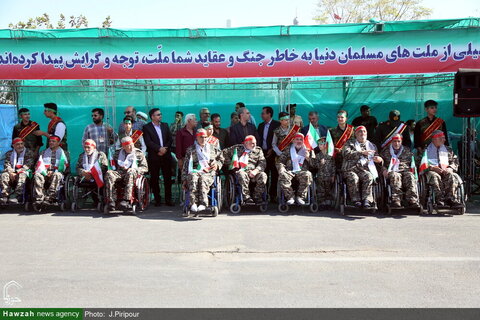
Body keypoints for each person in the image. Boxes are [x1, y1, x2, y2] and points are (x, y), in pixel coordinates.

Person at [181, 129, 224, 213]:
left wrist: (217, 165)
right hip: (195, 170)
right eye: (201, 137)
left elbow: (221, 159)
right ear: (197, 137)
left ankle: (203, 203)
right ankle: (193, 203)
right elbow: (185, 166)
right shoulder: (190, 149)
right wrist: (184, 180)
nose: (203, 139)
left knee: (203, 179)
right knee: (193, 178)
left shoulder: (213, 148)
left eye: (205, 137)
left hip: (208, 171)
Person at [342, 126, 383, 208]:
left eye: (364, 131)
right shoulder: (349, 143)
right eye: (360, 131)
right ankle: (355, 200)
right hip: (350, 169)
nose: (362, 133)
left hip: (364, 169)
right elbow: (345, 154)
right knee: (354, 178)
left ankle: (367, 200)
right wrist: (361, 152)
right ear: (356, 134)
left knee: (369, 176)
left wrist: (380, 160)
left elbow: (377, 157)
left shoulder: (372, 146)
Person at [104, 136, 148, 211]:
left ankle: (127, 200)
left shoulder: (138, 153)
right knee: (109, 173)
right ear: (123, 146)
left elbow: (145, 168)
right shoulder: (118, 153)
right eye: (128, 146)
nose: (131, 147)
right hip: (120, 172)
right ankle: (111, 201)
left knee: (130, 172)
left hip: (133, 173)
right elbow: (112, 165)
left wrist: (135, 169)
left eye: (132, 145)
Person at [143, 108, 174, 206]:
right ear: (152, 116)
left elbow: (170, 139)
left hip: (166, 155)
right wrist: (159, 149)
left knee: (167, 179)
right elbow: (148, 142)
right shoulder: (147, 127)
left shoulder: (165, 125)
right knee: (154, 178)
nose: (160, 116)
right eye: (158, 114)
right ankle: (157, 199)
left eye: (160, 114)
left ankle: (168, 199)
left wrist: (164, 149)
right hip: (154, 156)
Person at [223, 135, 267, 204]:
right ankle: (246, 197)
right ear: (245, 143)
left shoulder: (258, 150)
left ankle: (257, 196)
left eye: (255, 143)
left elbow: (262, 162)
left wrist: (256, 171)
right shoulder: (237, 148)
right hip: (241, 171)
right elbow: (224, 153)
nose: (254, 145)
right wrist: (231, 165)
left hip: (253, 172)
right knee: (242, 174)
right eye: (252, 143)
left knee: (263, 175)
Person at [380, 133, 419, 208]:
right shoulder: (385, 151)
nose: (396, 143)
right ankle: (396, 200)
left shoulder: (407, 150)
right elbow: (381, 164)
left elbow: (413, 162)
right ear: (391, 142)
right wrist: (384, 170)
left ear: (401, 142)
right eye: (394, 141)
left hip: (405, 170)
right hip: (392, 170)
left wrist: (414, 169)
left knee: (410, 176)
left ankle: (412, 199)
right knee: (395, 176)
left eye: (398, 141)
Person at [423, 130, 461, 207]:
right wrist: (432, 168)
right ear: (434, 139)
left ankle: (451, 198)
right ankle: (439, 199)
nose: (444, 140)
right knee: (434, 176)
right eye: (441, 138)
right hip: (432, 171)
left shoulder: (448, 150)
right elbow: (420, 164)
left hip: (446, 170)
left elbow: (455, 161)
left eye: (444, 138)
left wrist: (450, 168)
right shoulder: (426, 150)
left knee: (452, 175)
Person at [32, 135, 70, 208]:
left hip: (57, 173)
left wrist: (54, 171)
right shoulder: (43, 152)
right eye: (50, 141)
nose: (51, 143)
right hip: (44, 173)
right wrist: (45, 172)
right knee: (37, 175)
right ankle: (39, 198)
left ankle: (50, 197)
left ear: (58, 143)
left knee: (57, 175)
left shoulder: (64, 153)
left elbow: (66, 167)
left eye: (53, 141)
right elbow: (38, 165)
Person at [277, 133, 314, 205]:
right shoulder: (288, 149)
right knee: (283, 174)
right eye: (297, 139)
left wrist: (308, 158)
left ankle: (300, 197)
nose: (299, 141)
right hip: (289, 171)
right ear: (293, 140)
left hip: (302, 171)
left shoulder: (308, 150)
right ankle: (290, 197)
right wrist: (281, 168)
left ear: (303, 141)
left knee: (307, 174)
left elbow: (315, 165)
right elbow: (280, 162)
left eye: (301, 139)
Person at [0, 138, 35, 204]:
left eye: (22, 144)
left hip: (24, 172)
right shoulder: (9, 154)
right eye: (18, 144)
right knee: (4, 175)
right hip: (12, 173)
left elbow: (28, 165)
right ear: (13, 146)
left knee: (22, 174)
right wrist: (11, 172)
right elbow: (7, 164)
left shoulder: (29, 152)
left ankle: (17, 195)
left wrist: (16, 172)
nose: (20, 146)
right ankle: (5, 195)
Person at [75, 139, 108, 206]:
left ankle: (100, 199)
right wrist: (83, 172)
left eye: (88, 147)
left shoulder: (100, 155)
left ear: (94, 147)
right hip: (84, 176)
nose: (86, 149)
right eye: (85, 147)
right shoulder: (82, 156)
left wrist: (92, 173)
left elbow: (104, 167)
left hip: (97, 176)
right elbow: (78, 167)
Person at [258, 106, 280, 201]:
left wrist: (272, 149)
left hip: (274, 153)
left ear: (269, 114)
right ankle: (264, 194)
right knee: (264, 174)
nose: (261, 115)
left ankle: (273, 195)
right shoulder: (260, 125)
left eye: (263, 113)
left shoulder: (277, 124)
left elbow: (280, 140)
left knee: (274, 175)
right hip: (263, 153)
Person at [312, 136, 336, 209]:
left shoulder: (330, 155)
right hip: (320, 176)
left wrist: (333, 175)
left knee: (328, 189)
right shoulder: (318, 156)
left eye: (322, 144)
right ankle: (321, 203)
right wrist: (320, 163)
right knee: (321, 190)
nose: (320, 146)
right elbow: (315, 165)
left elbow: (333, 166)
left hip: (329, 176)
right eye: (319, 144)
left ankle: (328, 202)